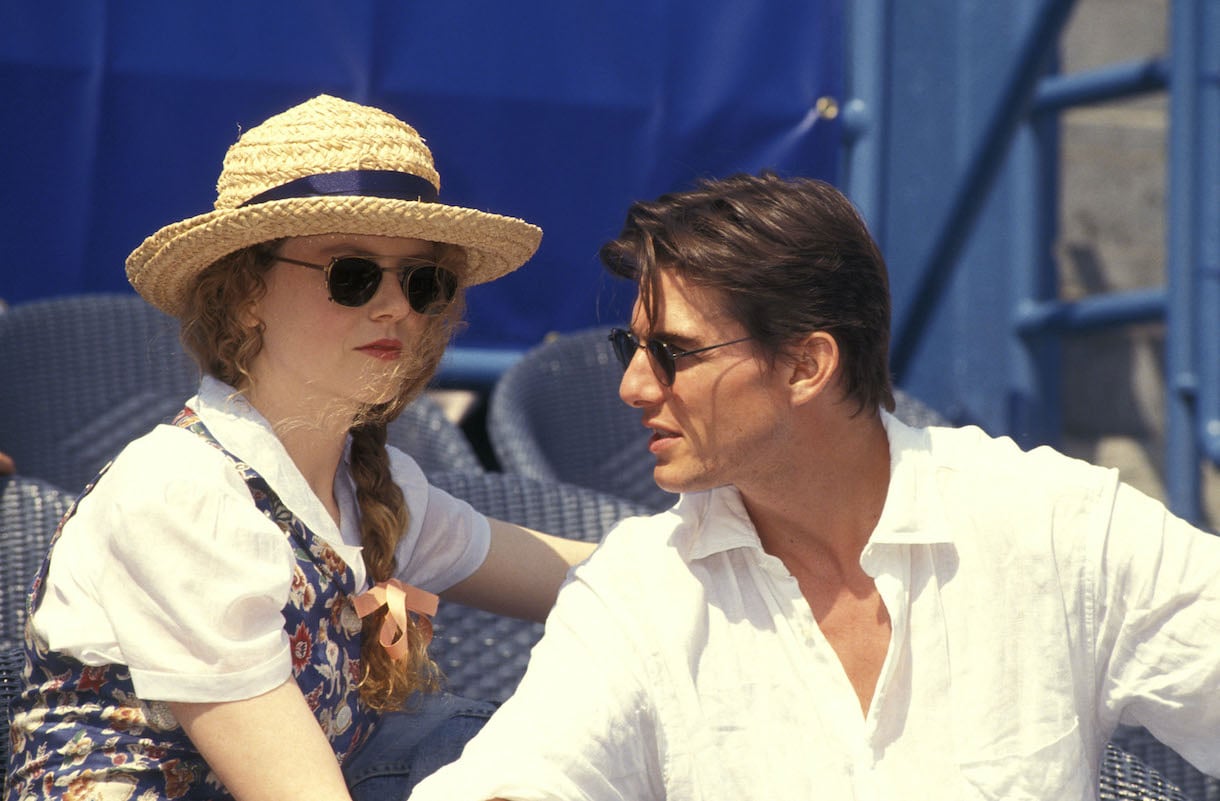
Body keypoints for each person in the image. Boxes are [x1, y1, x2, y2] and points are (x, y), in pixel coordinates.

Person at [408, 171, 1220, 800]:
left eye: (673, 353)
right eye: (634, 346)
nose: (632, 386)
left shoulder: (1055, 526)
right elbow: (528, 770)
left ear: (807, 364)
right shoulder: (642, 590)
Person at [3, 94, 594, 801]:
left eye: (423, 280)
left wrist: (739, 550)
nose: (396, 306)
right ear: (246, 293)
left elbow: (600, 579)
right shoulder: (180, 493)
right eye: (352, 273)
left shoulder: (376, 488)